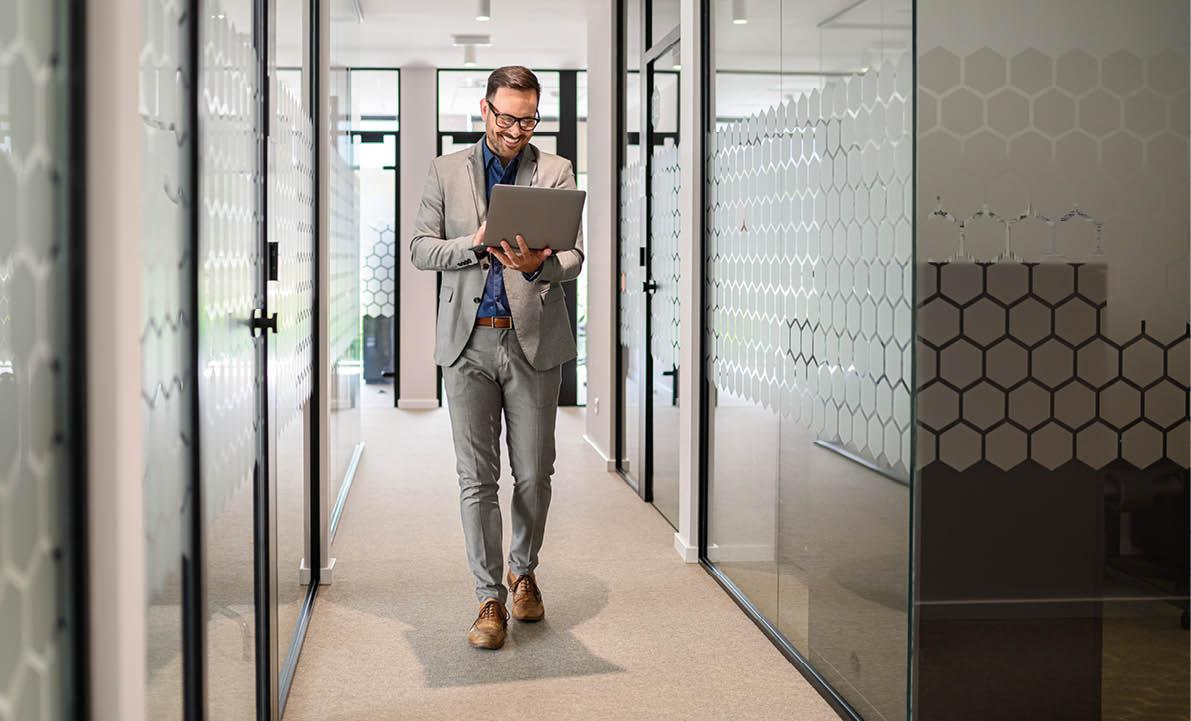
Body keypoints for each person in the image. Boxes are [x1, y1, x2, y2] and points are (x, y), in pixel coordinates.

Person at [410, 66, 584, 650]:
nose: (516, 130)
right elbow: (420, 249)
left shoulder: (555, 170)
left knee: (534, 473)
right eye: (507, 117)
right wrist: (477, 241)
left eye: (528, 119)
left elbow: (575, 257)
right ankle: (488, 597)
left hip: (533, 340)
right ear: (484, 110)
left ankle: (522, 569)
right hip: (467, 344)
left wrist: (539, 264)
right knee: (476, 478)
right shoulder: (444, 170)